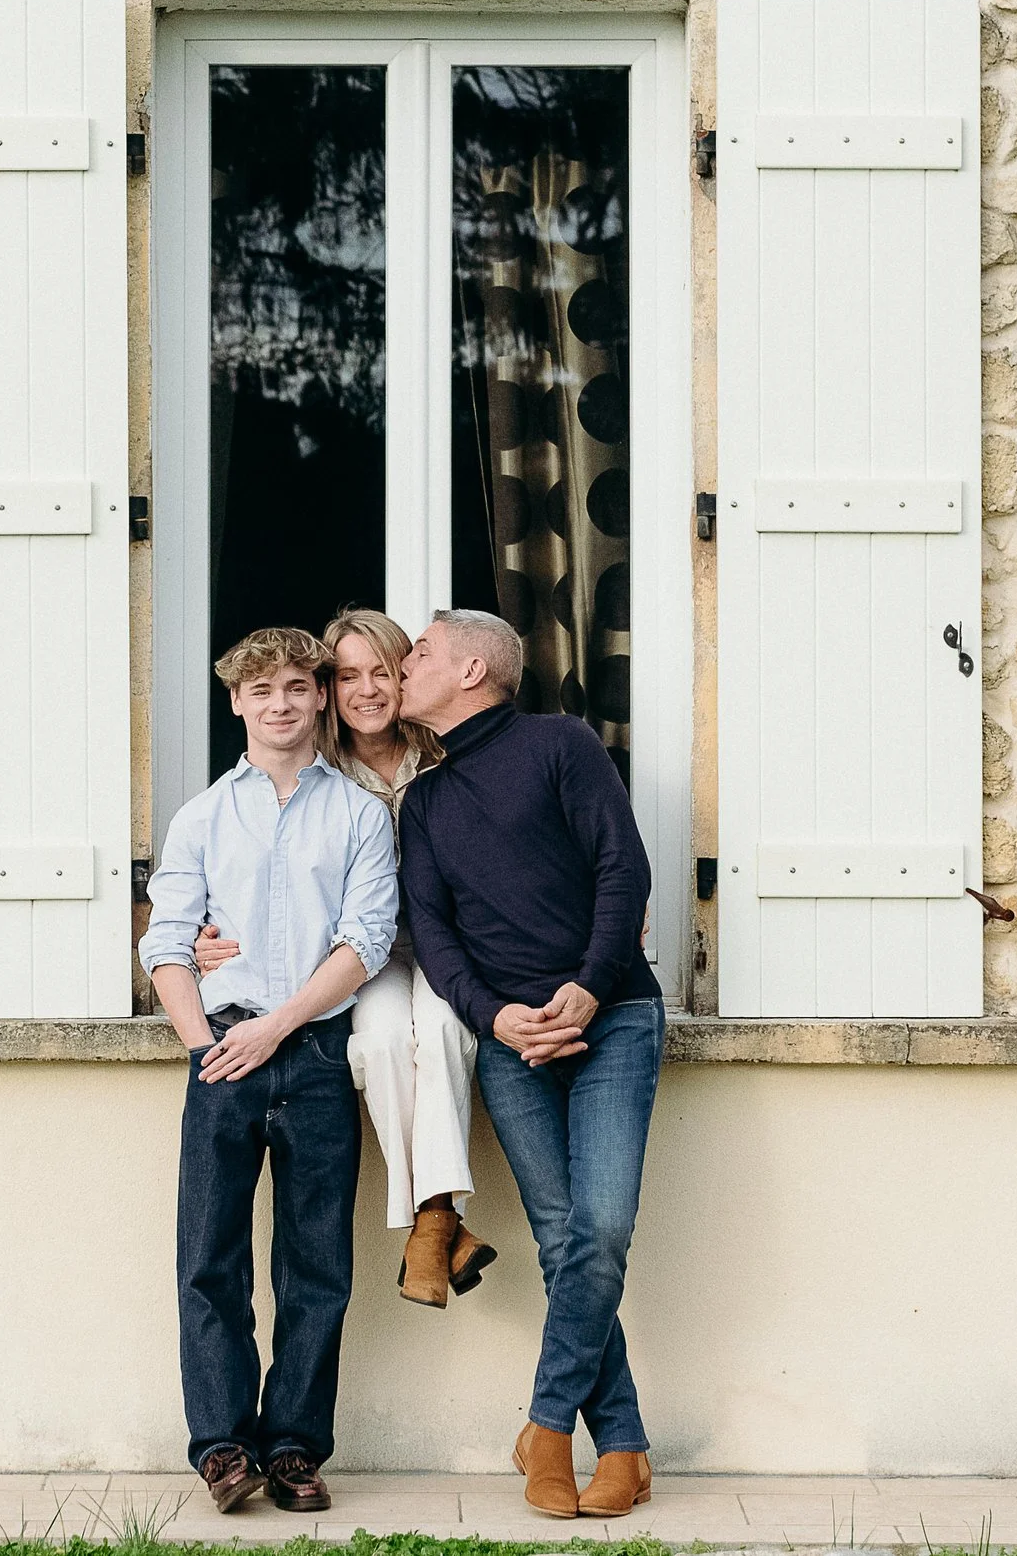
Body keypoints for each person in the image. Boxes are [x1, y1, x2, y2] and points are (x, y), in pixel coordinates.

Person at [395, 608, 664, 1523]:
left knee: (601, 1228)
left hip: (612, 1021)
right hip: (512, 1045)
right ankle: (622, 1446)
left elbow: (623, 869)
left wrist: (587, 988)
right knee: (562, 1238)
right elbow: (433, 933)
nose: (405, 664)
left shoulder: (561, 745)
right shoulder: (424, 803)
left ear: (473, 670)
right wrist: (494, 1017)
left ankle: (546, 1427)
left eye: (420, 652)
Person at [138, 626, 399, 1517]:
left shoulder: (358, 815)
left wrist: (278, 1026)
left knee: (316, 1266)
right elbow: (168, 944)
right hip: (222, 1052)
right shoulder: (203, 817)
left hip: (316, 1051)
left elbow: (365, 940)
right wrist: (203, 1045)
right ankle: (221, 1448)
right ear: (237, 703)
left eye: (295, 687)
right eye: (261, 691)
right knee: (209, 1259)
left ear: (320, 696)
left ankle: (292, 1447)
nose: (280, 704)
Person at [191, 609, 495, 1308]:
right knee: (382, 1041)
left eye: (381, 672)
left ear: (406, 677)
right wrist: (210, 936)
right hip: (362, 956)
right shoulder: (317, 773)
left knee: (442, 1031)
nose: (367, 690)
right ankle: (440, 1225)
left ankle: (432, 1222)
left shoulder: (448, 757)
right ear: (331, 688)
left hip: (452, 945)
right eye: (349, 675)